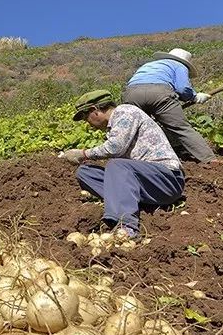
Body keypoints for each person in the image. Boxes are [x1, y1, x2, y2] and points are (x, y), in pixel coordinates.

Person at [62, 89, 185, 238]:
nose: (88, 124)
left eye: (85, 117)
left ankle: (126, 226)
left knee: (117, 165)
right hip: (146, 183)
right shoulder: (114, 125)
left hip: (167, 179)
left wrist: (82, 154)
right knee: (85, 173)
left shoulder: (125, 112)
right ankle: (131, 202)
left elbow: (115, 148)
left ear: (94, 111)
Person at [122, 47, 216, 163]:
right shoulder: (179, 65)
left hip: (131, 94)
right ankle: (209, 160)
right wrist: (195, 96)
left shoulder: (149, 65)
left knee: (134, 129)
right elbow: (183, 89)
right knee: (181, 128)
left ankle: (127, 160)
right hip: (159, 94)